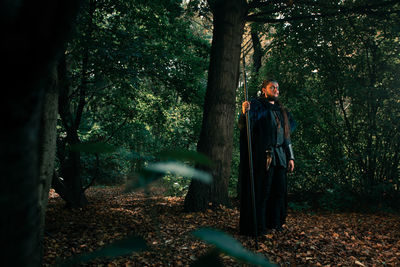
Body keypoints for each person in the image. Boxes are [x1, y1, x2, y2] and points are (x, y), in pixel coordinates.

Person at [238, 79, 295, 236]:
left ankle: (275, 224)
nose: (276, 90)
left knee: (279, 191)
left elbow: (287, 136)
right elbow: (245, 126)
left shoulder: (282, 110)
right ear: (264, 90)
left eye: (277, 87)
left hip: (281, 156)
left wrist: (291, 157)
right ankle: (259, 226)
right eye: (272, 87)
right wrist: (245, 113)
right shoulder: (257, 105)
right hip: (265, 157)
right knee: (264, 191)